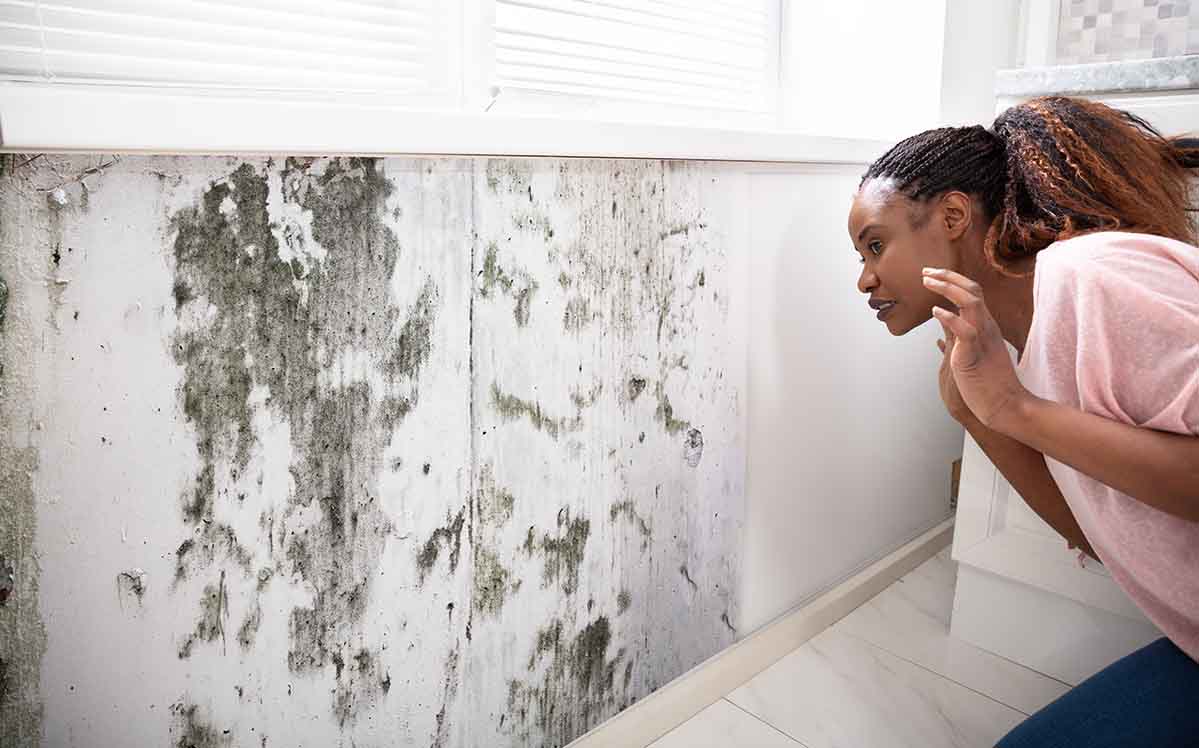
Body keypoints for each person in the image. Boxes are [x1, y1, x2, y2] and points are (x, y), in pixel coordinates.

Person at [847, 95, 1199, 747]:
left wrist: (1012, 408)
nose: (864, 280)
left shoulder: (1092, 275)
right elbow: (1105, 539)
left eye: (874, 244)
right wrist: (976, 411)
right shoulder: (1019, 344)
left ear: (951, 215)